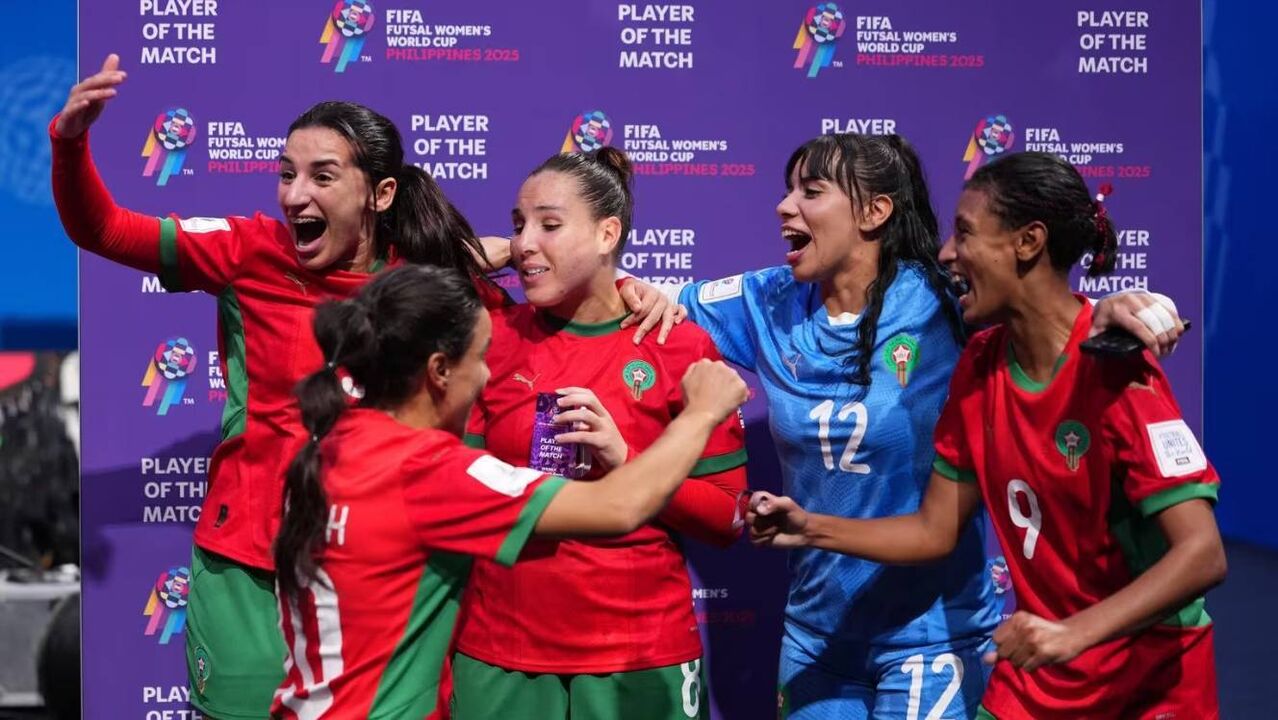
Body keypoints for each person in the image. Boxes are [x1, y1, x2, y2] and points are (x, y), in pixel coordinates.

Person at [53, 54, 675, 719]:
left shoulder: (430, 287)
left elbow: (545, 315)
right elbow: (106, 229)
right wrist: (70, 143)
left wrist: (626, 289)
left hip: (392, 578)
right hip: (253, 570)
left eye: (322, 177)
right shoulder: (247, 250)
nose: (296, 196)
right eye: (287, 176)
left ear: (379, 194)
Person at [626, 132, 1188, 719]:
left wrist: (1121, 302)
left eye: (811, 191)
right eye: (787, 190)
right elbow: (635, 304)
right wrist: (596, 277)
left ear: (875, 211)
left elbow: (1042, 312)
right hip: (814, 638)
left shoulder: (945, 302)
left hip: (932, 639)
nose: (784, 206)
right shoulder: (766, 299)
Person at [270, 264, 749, 719]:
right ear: (439, 371)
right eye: (479, 358)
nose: (485, 374)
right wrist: (701, 414)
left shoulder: (326, 450)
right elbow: (619, 506)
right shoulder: (432, 475)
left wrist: (612, 278)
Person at [448, 148, 748, 720]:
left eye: (550, 225)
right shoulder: (489, 335)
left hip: (640, 656)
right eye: (518, 225)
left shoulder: (680, 347)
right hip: (499, 652)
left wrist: (626, 460)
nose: (526, 242)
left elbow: (729, 518)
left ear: (608, 232)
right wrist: (502, 250)